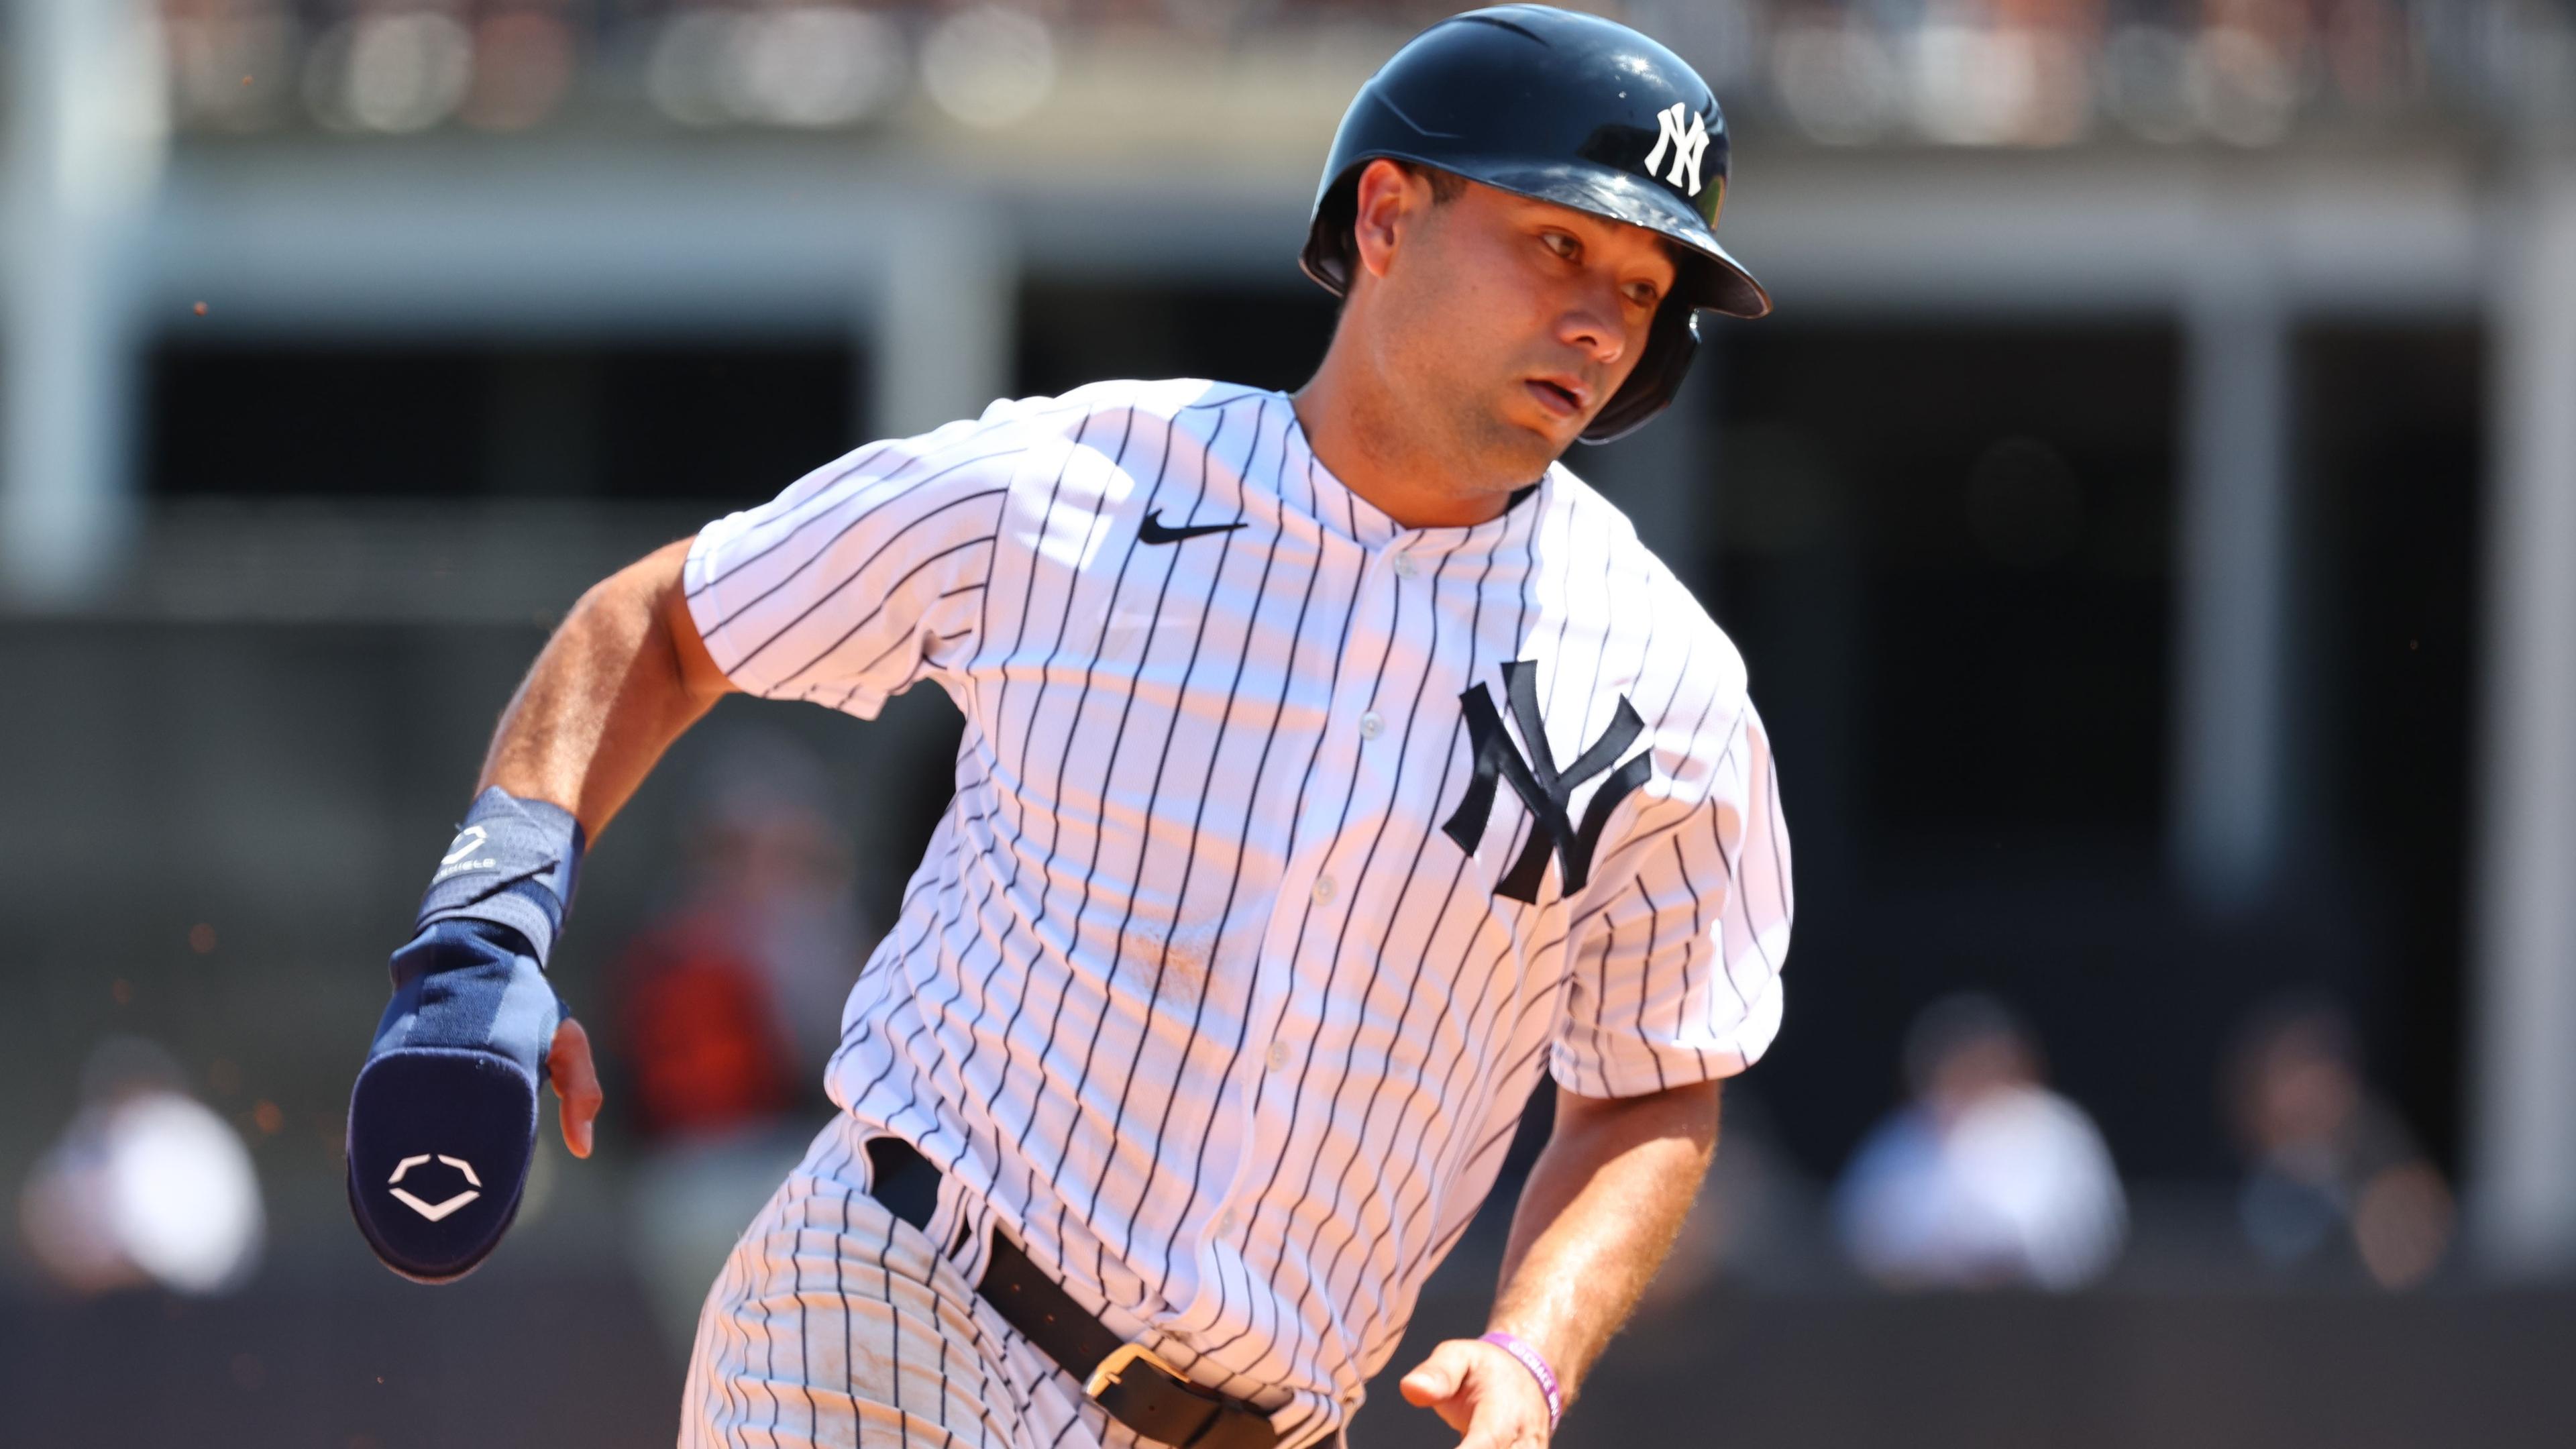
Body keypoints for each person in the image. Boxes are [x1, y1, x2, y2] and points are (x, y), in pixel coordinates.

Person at [342, 8, 1791, 1447]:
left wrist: (1535, 1355)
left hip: (1263, 1424)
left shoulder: (1668, 688)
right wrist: (487, 934)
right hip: (898, 1307)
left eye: (1649, 280)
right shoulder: (1077, 485)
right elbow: (660, 626)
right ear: (1392, 214)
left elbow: (1652, 1085)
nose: (1607, 316)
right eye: (1560, 244)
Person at [1833, 994, 2126, 1291]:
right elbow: (1860, 1235)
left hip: (2047, 1319)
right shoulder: (1900, 1136)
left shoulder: (2059, 1130)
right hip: (1921, 1319)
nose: (1963, 1076)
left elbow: (2092, 1235)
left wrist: (2004, 1254)